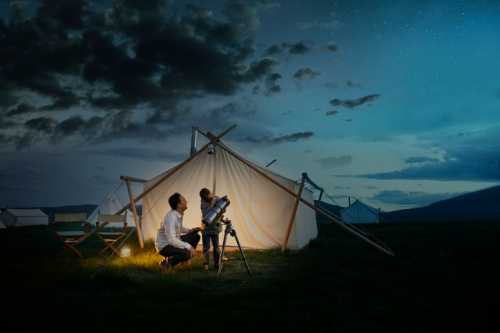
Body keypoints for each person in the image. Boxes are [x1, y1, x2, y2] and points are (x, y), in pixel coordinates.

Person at [156, 193, 200, 269]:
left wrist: (190, 230)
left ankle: (184, 259)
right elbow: (171, 240)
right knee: (187, 253)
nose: (186, 201)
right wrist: (189, 247)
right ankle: (166, 263)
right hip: (165, 246)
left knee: (195, 236)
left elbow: (179, 228)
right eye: (183, 200)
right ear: (179, 205)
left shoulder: (178, 214)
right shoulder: (171, 218)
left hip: (174, 241)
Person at [199, 188, 223, 271]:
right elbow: (207, 213)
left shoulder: (215, 198)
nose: (210, 195)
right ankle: (206, 265)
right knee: (207, 248)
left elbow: (223, 206)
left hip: (214, 228)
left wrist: (219, 199)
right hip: (206, 228)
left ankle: (216, 264)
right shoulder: (203, 203)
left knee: (215, 248)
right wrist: (213, 201)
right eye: (209, 194)